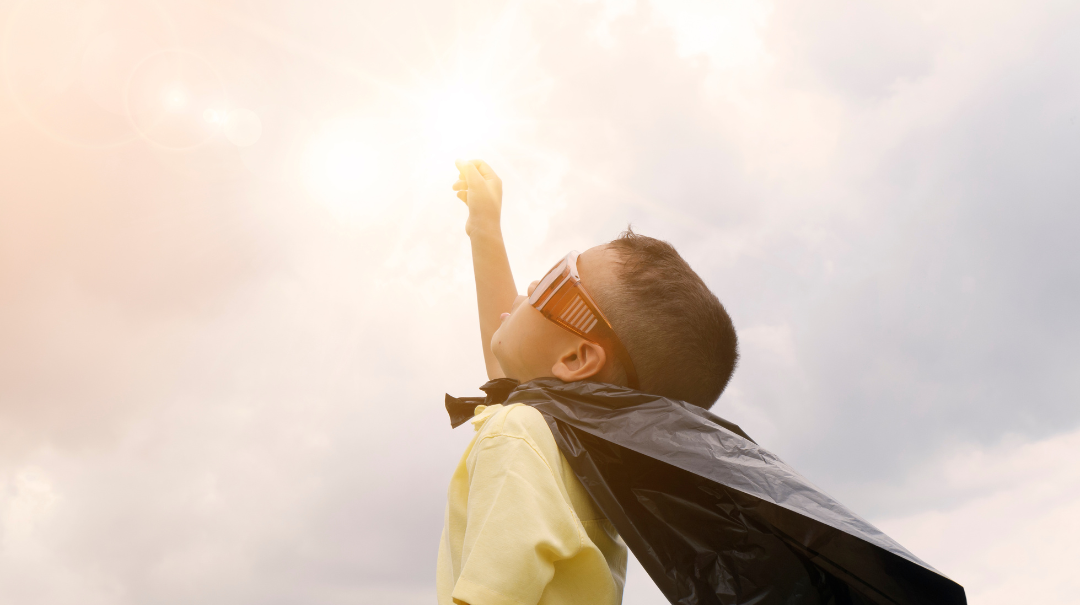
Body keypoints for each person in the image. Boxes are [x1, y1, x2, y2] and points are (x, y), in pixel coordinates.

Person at [436, 159, 739, 605]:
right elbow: (509, 361)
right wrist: (484, 226)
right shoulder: (580, 451)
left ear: (577, 358)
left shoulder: (519, 434)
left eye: (556, 282)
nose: (533, 283)